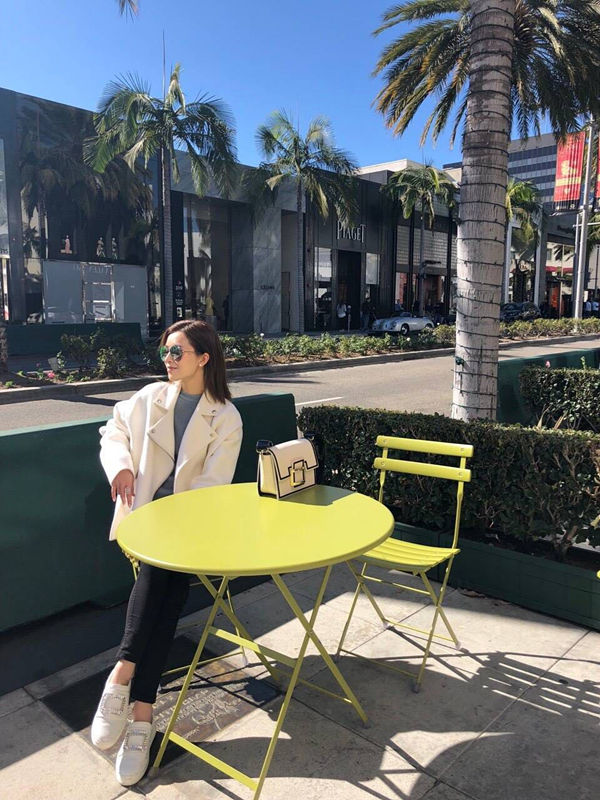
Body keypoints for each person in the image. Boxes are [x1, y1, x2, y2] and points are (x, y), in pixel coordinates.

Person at [90, 319, 243, 787]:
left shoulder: (226, 417)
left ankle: (123, 678)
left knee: (162, 586)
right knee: (165, 595)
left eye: (178, 352)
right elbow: (112, 430)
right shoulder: (150, 397)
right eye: (165, 352)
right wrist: (120, 467)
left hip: (189, 526)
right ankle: (141, 716)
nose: (169, 360)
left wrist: (174, 525)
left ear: (204, 358)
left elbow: (211, 488)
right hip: (144, 519)